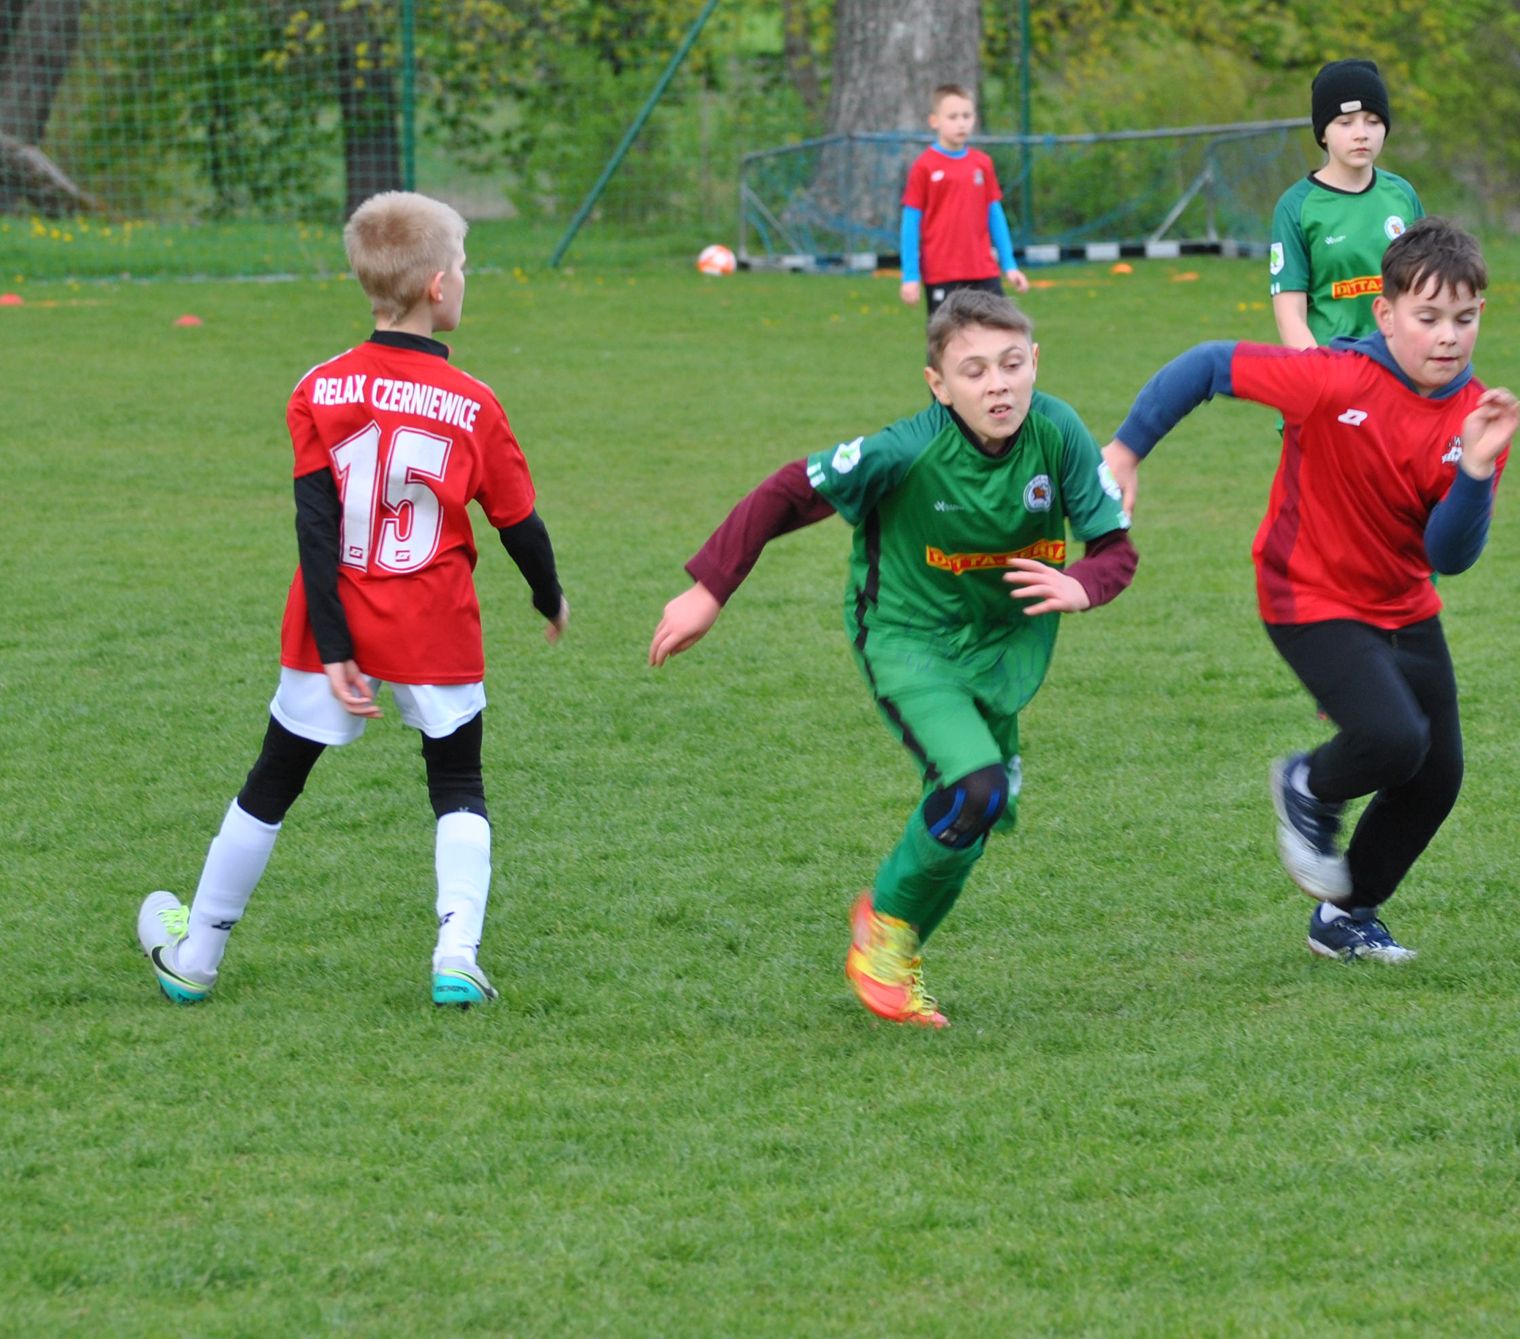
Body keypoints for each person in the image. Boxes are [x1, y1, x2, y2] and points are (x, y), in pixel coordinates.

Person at [649, 291, 1135, 1028]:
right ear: (938, 384)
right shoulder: (906, 449)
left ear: (1035, 362)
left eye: (1011, 364)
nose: (997, 384)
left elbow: (1116, 549)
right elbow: (790, 491)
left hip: (1002, 646)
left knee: (981, 807)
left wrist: (1083, 584)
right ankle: (887, 943)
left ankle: (890, 932)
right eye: (973, 371)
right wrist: (709, 590)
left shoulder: (1058, 432)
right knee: (972, 789)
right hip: (908, 637)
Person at [135, 191, 569, 1008]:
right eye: (466, 266)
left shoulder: (318, 388)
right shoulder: (476, 404)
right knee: (457, 785)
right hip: (436, 623)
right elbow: (519, 524)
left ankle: (196, 956)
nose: (468, 279)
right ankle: (457, 953)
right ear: (438, 286)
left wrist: (333, 644)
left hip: (331, 620)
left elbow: (315, 524)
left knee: (272, 782)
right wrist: (549, 597)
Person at [1103, 217, 1518, 962]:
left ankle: (1346, 915)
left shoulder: (1477, 415)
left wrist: (1478, 472)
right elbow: (1208, 365)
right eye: (1427, 317)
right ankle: (1307, 784)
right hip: (1308, 591)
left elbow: (1448, 555)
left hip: (1403, 601)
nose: (1448, 335)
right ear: (1385, 314)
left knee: (1437, 775)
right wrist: (1127, 449)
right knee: (1393, 739)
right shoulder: (1333, 377)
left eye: (1464, 317)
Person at [1269, 58, 1424, 349]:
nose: (1361, 133)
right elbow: (1289, 314)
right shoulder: (1295, 207)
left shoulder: (1401, 194)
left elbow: (1427, 290)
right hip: (1334, 369)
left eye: (1373, 121)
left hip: (1400, 365)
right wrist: (1320, 377)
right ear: (1323, 133)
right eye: (1345, 122)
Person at [899, 84, 1030, 317]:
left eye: (966, 116)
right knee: (948, 344)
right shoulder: (924, 166)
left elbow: (995, 216)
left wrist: (1009, 265)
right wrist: (910, 275)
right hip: (942, 273)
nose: (961, 123)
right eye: (953, 117)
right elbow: (910, 222)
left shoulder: (982, 163)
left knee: (997, 337)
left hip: (983, 270)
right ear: (934, 121)